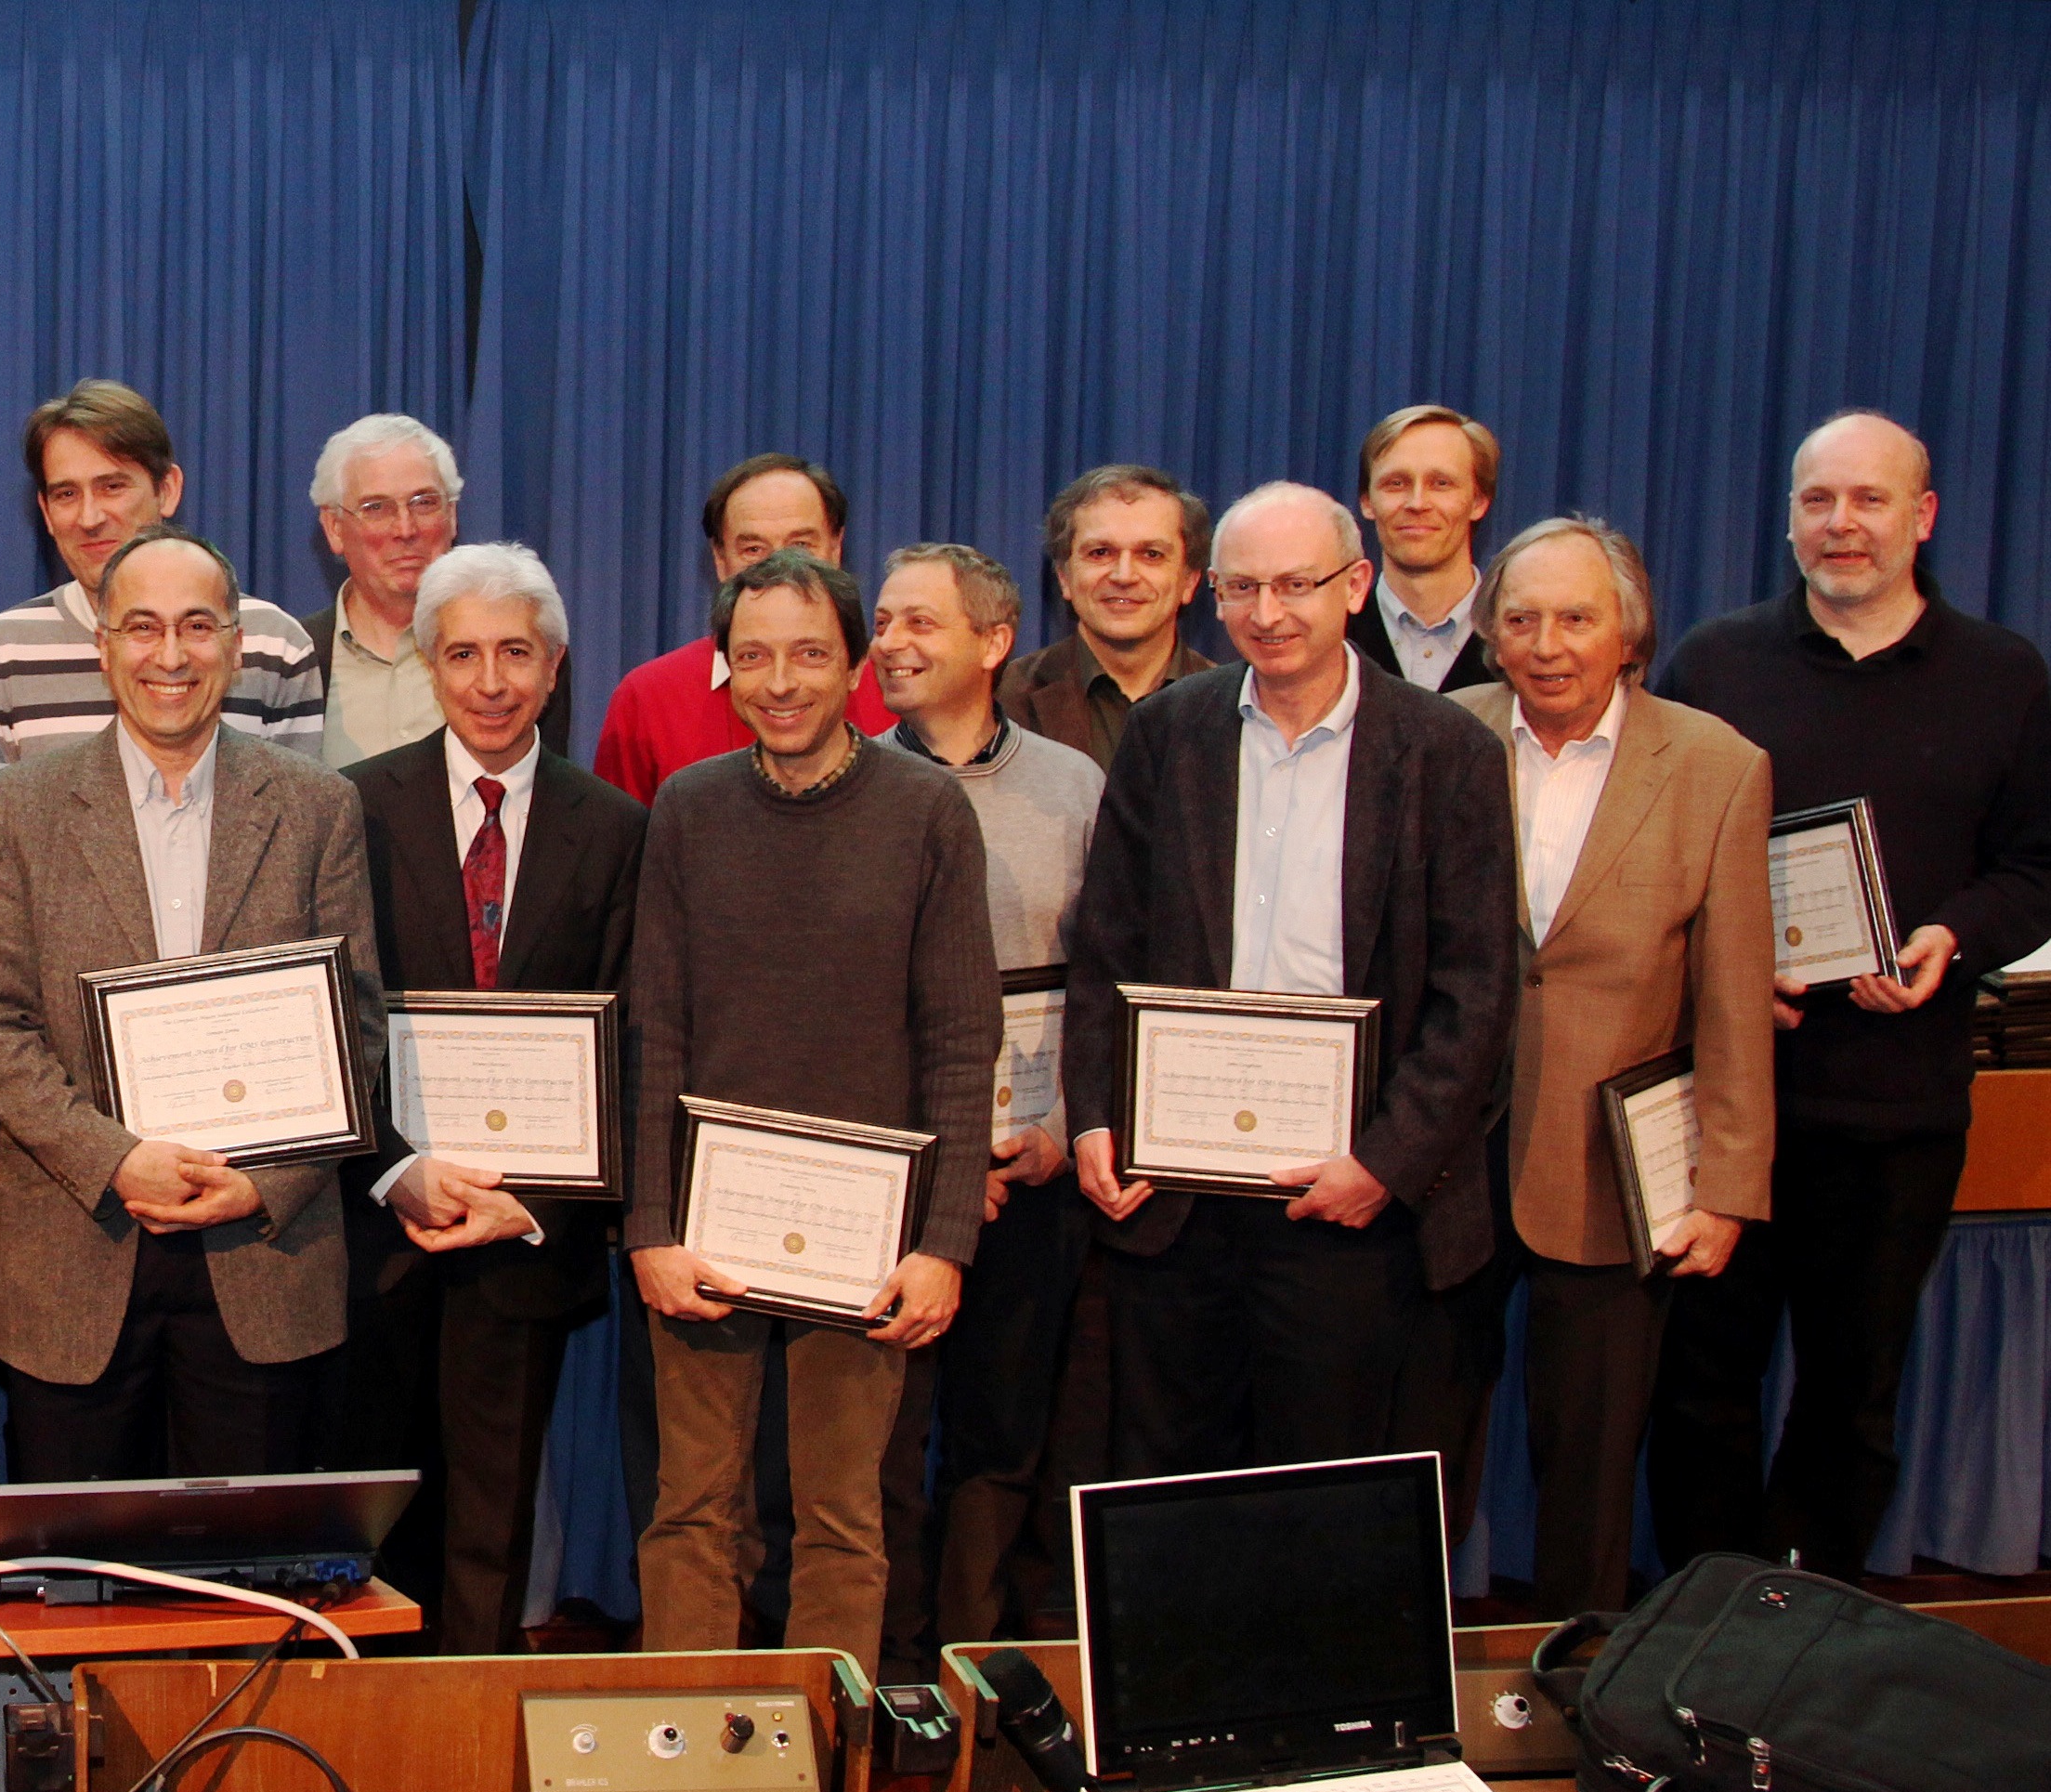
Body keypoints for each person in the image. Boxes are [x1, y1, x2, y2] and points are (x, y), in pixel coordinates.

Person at [1646, 412, 2051, 1581]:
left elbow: (2036, 866)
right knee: (1701, 1387)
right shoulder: (1714, 665)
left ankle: (1802, 1638)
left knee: (1850, 1396)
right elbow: (1653, 859)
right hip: (1728, 1108)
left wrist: (1949, 937)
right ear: (1788, 518)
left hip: (1898, 1110)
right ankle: (1698, 1631)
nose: (1841, 523)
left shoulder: (2006, 676)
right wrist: (1722, 968)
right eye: (1818, 500)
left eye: (1868, 500)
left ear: (1920, 518)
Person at [1065, 483, 1517, 1477]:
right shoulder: (1166, 735)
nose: (1266, 614)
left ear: (1354, 586)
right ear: (1210, 596)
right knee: (1166, 1483)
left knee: (1325, 1489)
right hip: (1174, 1198)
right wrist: (1095, 1116)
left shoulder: (1448, 753)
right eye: (1241, 588)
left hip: (1346, 1205)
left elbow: (1476, 992)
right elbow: (1106, 946)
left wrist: (1385, 1162)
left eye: (1295, 585)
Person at [1385, 519, 1770, 1616]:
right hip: (1441, 1156)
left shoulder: (1715, 763)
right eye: (1519, 618)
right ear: (1489, 632)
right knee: (1419, 1448)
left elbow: (1735, 998)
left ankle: (1578, 1693)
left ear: (1627, 631)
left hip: (1614, 1171)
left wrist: (1728, 1189)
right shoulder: (1433, 736)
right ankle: (1399, 1681)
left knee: (1591, 1469)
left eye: (1574, 617)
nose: (1545, 643)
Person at [621, 550, 994, 1659]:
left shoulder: (927, 811)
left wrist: (945, 1242)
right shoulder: (687, 808)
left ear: (855, 667)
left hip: (867, 1239)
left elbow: (962, 1041)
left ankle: (830, 1781)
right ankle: (676, 1769)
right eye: (753, 656)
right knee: (693, 1511)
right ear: (722, 670)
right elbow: (657, 1032)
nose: (780, 680)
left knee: (842, 1519)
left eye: (808, 654)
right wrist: (647, 1227)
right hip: (705, 1231)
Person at [0, 526, 377, 1480]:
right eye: (141, 627)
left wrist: (269, 1183)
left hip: (262, 1253)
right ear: (101, 646)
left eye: (195, 626)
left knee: (249, 1586)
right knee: (76, 1582)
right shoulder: (11, 812)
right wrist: (117, 1159)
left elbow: (355, 1025)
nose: (169, 655)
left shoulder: (318, 808)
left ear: (235, 643)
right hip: (74, 1250)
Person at [333, 543, 643, 1653]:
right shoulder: (352, 807)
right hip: (381, 1229)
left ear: (554, 666)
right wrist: (397, 1168)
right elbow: (333, 1022)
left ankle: (464, 1760)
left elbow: (630, 1036)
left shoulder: (612, 827)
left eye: (515, 652)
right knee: (371, 1534)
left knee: (490, 1531)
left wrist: (543, 1206)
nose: (490, 679)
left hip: (526, 1234)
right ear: (427, 662)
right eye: (461, 653)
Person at [869, 543, 1104, 1661]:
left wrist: (1054, 1139)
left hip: (1034, 1171)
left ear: (994, 640)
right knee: (878, 1444)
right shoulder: (850, 779)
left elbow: (1105, 980)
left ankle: (969, 1670)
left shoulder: (1074, 785)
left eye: (920, 622)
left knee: (1002, 1437)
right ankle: (890, 1672)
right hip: (897, 1185)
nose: (892, 644)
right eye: (882, 621)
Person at [0, 380, 322, 792]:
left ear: (168, 489)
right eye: (67, 493)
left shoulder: (277, 646)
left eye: (112, 487)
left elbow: (296, 831)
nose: (89, 518)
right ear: (46, 513)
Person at [589, 453, 897, 803]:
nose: (781, 567)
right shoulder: (646, 698)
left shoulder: (893, 688)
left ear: (836, 547)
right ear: (720, 561)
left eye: (800, 546)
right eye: (753, 548)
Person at [298, 414, 576, 770]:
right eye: (376, 508)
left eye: (423, 502)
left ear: (452, 515)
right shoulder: (292, 659)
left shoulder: (520, 652)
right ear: (334, 528)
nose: (405, 528)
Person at [1001, 464, 1212, 769]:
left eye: (1151, 554)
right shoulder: (1000, 700)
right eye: (1100, 553)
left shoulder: (1234, 707)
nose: (1124, 576)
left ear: (1189, 582)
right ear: (1064, 578)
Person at [1352, 405, 1506, 694]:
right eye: (1395, 483)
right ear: (1367, 502)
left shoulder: (1518, 640)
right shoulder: (1327, 640)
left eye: (1441, 484)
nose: (1417, 503)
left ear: (1479, 502)